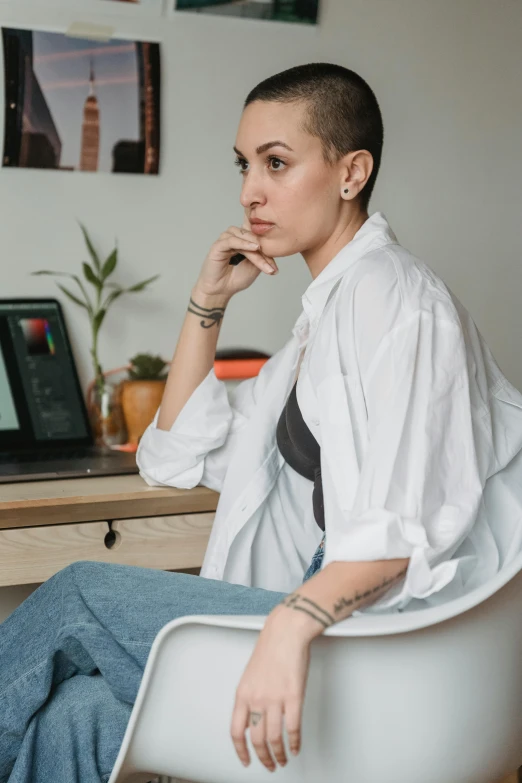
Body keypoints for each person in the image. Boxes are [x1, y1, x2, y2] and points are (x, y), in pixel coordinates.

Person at [1, 62, 522, 783]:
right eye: (245, 165)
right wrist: (207, 300)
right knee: (75, 714)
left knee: (78, 592)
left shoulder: (396, 300)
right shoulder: (319, 327)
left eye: (277, 163)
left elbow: (400, 529)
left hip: (375, 650)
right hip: (329, 628)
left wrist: (290, 621)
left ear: (351, 173)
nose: (251, 190)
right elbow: (176, 455)